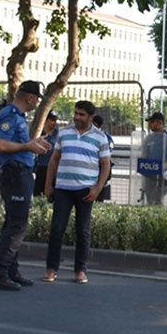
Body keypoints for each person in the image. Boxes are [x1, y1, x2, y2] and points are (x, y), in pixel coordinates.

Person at [0, 81, 51, 291]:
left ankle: (10, 271)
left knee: (13, 223)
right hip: (15, 174)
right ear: (30, 98)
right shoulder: (9, 115)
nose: (36, 103)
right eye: (36, 99)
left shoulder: (17, 116)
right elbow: (0, 145)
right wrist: (27, 146)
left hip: (19, 173)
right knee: (17, 225)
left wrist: (34, 143)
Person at [43, 100, 111, 284]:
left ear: (90, 117)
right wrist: (48, 185)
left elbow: (105, 165)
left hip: (86, 190)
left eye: (81, 114)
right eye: (76, 113)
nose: (77, 117)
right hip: (64, 188)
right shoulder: (64, 133)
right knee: (57, 228)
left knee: (83, 230)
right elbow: (54, 160)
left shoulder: (100, 137)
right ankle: (51, 268)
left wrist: (98, 188)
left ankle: (80, 270)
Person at [140, 111, 167, 206]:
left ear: (159, 123)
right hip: (150, 172)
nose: (149, 125)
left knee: (157, 196)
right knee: (149, 199)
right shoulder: (149, 139)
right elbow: (144, 156)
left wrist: (164, 166)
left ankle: (158, 207)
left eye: (151, 122)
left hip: (164, 173)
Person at [32, 111, 59, 197]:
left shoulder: (57, 133)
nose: (54, 123)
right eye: (52, 120)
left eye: (56, 120)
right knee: (38, 193)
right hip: (41, 166)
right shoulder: (39, 132)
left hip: (54, 167)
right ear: (46, 120)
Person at [91, 113, 115, 200]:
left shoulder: (105, 137)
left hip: (101, 168)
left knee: (100, 193)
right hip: (91, 168)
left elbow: (108, 155)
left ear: (95, 124)